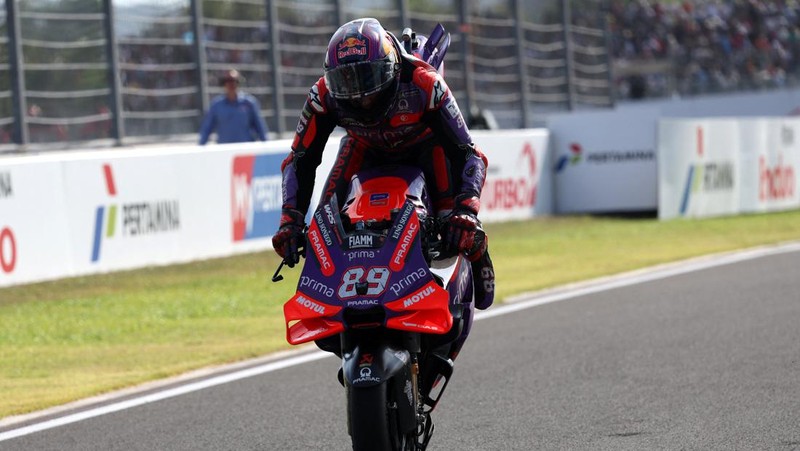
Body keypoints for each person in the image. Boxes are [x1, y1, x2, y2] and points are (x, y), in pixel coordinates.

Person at [272, 18, 495, 312]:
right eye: (346, 81)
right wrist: (290, 221)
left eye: (366, 78)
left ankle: (478, 252)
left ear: (390, 67)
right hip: (364, 148)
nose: (359, 96)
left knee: (452, 223)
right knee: (324, 228)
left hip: (427, 148)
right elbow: (299, 160)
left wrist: (466, 211)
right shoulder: (322, 95)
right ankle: (335, 304)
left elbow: (468, 153)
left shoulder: (424, 82)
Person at [198, 69, 269, 145]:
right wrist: (201, 146)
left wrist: (266, 146)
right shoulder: (216, 105)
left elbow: (260, 127)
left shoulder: (249, 103)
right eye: (228, 81)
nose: (231, 84)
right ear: (224, 84)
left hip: (246, 150)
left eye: (234, 81)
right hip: (225, 150)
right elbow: (207, 128)